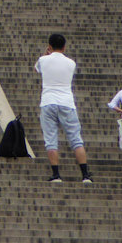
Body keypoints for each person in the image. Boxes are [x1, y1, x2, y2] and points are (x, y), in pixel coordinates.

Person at [35, 33, 92, 183]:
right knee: (76, 139)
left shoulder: (43, 60)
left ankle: (56, 175)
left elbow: (38, 69)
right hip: (67, 102)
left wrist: (46, 54)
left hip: (48, 102)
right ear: (64, 46)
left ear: (50, 46)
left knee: (51, 140)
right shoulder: (71, 63)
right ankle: (85, 175)